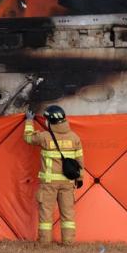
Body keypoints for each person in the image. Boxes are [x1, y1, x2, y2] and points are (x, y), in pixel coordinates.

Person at [23, 105, 84, 245]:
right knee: (68, 214)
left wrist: (29, 121)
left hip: (49, 183)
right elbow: (80, 161)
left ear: (49, 121)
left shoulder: (44, 137)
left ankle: (44, 242)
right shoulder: (75, 138)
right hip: (68, 183)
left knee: (46, 213)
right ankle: (68, 242)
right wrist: (79, 178)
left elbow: (27, 138)